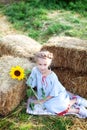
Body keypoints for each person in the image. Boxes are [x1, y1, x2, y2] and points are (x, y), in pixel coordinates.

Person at [26, 50, 87, 118]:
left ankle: (77, 107)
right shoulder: (35, 70)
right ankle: (74, 101)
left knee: (54, 107)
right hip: (45, 94)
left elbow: (54, 92)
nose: (42, 67)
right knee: (48, 106)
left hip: (56, 94)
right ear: (36, 63)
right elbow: (31, 82)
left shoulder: (52, 76)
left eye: (45, 64)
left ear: (49, 63)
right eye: (40, 64)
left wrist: (42, 100)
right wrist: (27, 80)